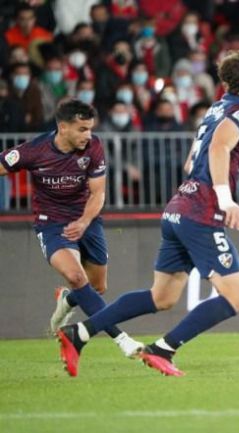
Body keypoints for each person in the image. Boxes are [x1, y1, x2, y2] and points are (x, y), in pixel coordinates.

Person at [56, 50, 239, 377]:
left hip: (179, 207)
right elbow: (218, 148)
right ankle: (162, 349)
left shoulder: (218, 107)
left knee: (162, 296)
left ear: (225, 80)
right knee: (238, 297)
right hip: (202, 212)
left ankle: (80, 333)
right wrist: (226, 200)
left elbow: (192, 161)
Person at [0, 99, 142, 358]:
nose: (88, 135)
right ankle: (122, 340)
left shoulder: (94, 146)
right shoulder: (34, 150)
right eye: (82, 129)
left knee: (95, 288)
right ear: (62, 127)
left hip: (87, 219)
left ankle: (67, 301)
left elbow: (98, 194)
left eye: (90, 128)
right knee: (77, 278)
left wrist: (84, 222)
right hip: (51, 223)